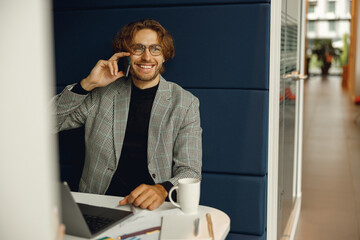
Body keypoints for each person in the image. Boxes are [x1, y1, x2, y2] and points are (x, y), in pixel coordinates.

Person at [53, 19, 202, 210]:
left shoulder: (185, 103)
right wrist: (87, 84)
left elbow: (190, 171)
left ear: (164, 55)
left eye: (155, 49)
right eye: (138, 48)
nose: (147, 57)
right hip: (98, 205)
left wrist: (162, 189)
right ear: (126, 54)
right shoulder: (101, 95)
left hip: (155, 209)